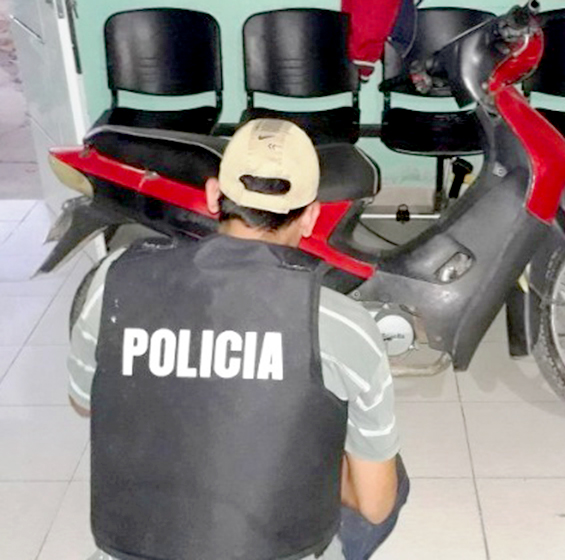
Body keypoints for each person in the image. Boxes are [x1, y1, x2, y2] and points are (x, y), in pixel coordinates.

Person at [67, 118, 409, 560]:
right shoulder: (341, 324)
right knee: (386, 477)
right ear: (310, 216)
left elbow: (84, 401)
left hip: (129, 548)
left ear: (213, 195)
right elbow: (375, 505)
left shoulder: (114, 279)